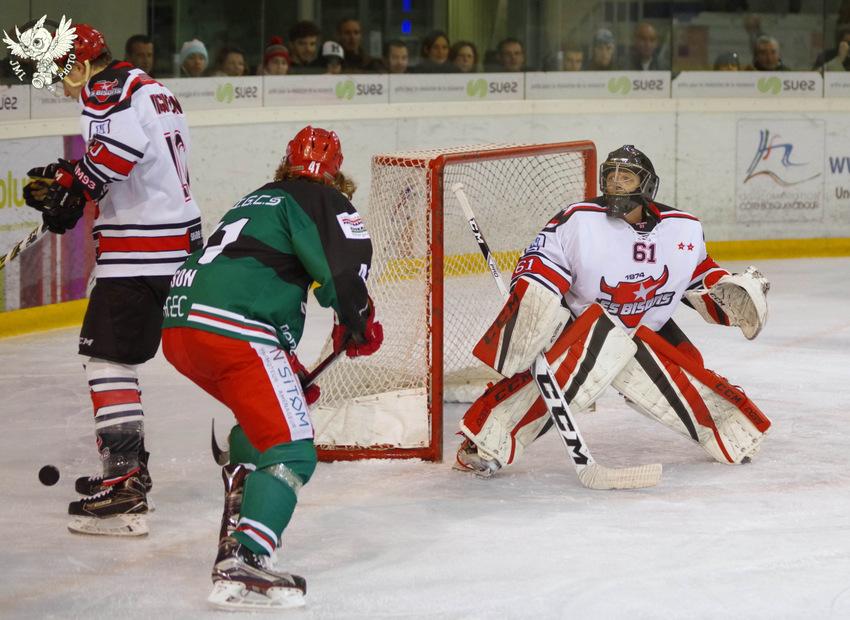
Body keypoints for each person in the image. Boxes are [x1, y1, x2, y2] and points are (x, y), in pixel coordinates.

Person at [161, 126, 382, 609]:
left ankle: (236, 514)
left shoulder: (257, 198)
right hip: (233, 329)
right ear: (336, 175)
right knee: (293, 448)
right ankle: (246, 555)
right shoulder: (323, 200)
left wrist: (290, 370)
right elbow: (343, 271)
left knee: (262, 429)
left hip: (181, 326)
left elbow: (252, 274)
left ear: (286, 165)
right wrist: (359, 319)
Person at [454, 145, 771, 478]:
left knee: (690, 376)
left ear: (647, 185)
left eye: (626, 176)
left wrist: (727, 289)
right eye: (610, 175)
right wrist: (534, 293)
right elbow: (543, 260)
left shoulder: (683, 229)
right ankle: (486, 441)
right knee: (566, 373)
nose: (616, 182)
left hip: (648, 328)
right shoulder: (579, 220)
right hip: (584, 327)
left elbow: (699, 274)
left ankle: (726, 427)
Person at [22, 24, 202, 534]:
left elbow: (120, 149)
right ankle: (129, 473)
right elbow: (139, 158)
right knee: (121, 358)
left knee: (107, 360)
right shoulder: (150, 86)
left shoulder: (103, 88)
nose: (61, 87)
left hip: (139, 251)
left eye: (61, 75)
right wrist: (71, 178)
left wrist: (77, 191)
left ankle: (124, 484)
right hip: (177, 244)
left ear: (80, 66)